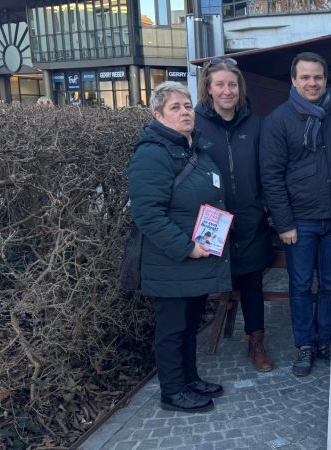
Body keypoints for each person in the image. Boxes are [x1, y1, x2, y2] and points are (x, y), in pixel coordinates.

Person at [128, 81, 230, 413]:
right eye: (175, 107)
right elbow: (147, 213)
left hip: (195, 258)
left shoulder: (192, 148)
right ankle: (172, 392)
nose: (185, 112)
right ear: (158, 115)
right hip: (172, 261)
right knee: (172, 329)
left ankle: (189, 379)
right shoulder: (152, 153)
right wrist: (186, 247)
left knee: (190, 325)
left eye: (187, 105)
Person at [259, 52, 331, 377]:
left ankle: (326, 339)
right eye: (306, 77)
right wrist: (283, 223)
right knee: (299, 286)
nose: (312, 83)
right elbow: (270, 175)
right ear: (294, 81)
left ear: (325, 80)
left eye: (318, 77)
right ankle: (305, 345)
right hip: (299, 222)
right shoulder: (278, 120)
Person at [195, 57, 275, 372]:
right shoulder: (195, 124)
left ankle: (256, 342)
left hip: (250, 219)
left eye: (232, 84)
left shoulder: (256, 125)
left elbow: (267, 171)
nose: (227, 91)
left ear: (239, 88)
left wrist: (265, 209)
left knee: (252, 281)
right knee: (202, 283)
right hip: (210, 222)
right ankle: (189, 351)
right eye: (220, 85)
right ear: (209, 89)